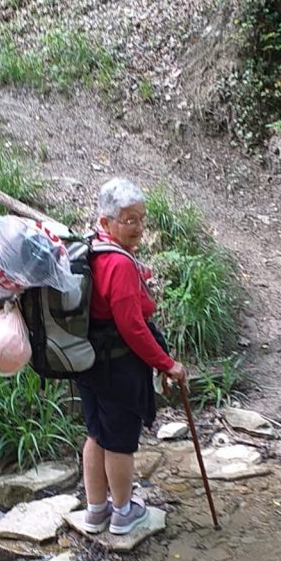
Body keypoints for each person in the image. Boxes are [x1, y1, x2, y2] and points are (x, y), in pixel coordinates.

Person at [76, 177, 186, 536]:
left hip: (88, 361)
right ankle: (123, 514)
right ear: (105, 221)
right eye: (128, 220)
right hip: (118, 366)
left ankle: (96, 511)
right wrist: (167, 364)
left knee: (97, 434)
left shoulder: (92, 248)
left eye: (140, 219)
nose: (138, 227)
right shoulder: (119, 264)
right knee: (119, 442)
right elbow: (132, 328)